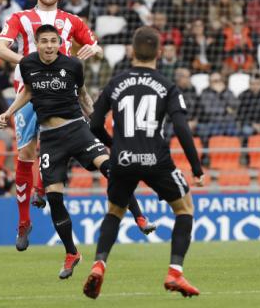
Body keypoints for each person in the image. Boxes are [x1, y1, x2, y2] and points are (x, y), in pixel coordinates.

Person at [0, 24, 153, 278]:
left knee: (110, 168)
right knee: (55, 199)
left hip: (77, 130)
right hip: (50, 139)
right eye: (44, 41)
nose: (49, 45)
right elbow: (28, 90)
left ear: (60, 42)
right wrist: (8, 112)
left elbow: (81, 95)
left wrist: (97, 123)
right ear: (37, 44)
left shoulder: (73, 65)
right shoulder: (27, 64)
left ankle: (139, 217)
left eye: (53, 41)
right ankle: (72, 253)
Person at [0, 0, 111, 249]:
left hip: (64, 91)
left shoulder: (71, 20)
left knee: (65, 139)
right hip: (29, 91)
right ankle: (23, 222)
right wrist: (27, 63)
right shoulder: (21, 18)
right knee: (26, 152)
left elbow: (98, 48)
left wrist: (94, 49)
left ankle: (44, 186)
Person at [83, 26, 204, 300]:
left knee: (114, 212)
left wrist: (114, 145)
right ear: (159, 52)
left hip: (123, 158)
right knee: (184, 209)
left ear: (132, 52)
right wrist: (197, 169)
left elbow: (94, 124)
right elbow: (182, 128)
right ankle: (175, 271)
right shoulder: (167, 85)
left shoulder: (115, 83)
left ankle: (99, 264)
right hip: (157, 159)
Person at [196, 72, 239, 144]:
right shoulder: (205, 93)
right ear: (210, 82)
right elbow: (208, 110)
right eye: (215, 81)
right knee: (215, 131)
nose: (218, 83)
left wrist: (221, 94)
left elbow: (234, 106)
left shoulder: (227, 91)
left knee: (233, 130)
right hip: (212, 122)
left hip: (227, 121)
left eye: (219, 80)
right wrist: (225, 110)